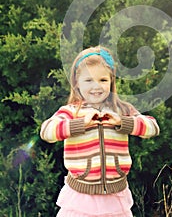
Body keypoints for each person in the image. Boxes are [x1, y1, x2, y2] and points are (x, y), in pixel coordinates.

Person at [40, 45, 160, 217]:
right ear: (77, 83)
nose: (96, 86)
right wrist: (79, 124)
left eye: (103, 80)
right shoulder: (71, 111)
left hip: (115, 196)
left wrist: (123, 122)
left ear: (111, 82)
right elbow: (47, 131)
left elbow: (152, 127)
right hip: (81, 197)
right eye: (88, 80)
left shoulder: (122, 109)